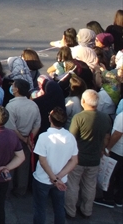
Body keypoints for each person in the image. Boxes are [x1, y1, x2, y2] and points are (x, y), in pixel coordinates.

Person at [64, 89, 110, 220]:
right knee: (90, 185)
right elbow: (107, 137)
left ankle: (70, 210)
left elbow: (71, 139)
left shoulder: (79, 117)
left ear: (83, 101)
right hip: (95, 158)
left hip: (78, 158)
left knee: (73, 185)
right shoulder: (105, 117)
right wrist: (102, 150)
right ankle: (87, 210)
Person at [32, 108, 77, 224]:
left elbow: (42, 161)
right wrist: (58, 177)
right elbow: (74, 160)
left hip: (42, 179)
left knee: (40, 209)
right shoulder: (70, 137)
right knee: (59, 208)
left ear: (50, 119)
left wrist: (53, 178)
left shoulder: (44, 137)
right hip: (61, 180)